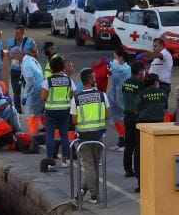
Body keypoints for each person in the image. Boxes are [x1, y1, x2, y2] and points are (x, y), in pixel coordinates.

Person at [72, 69, 109, 204]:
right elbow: (107, 115)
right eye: (94, 77)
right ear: (89, 80)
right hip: (99, 134)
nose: (96, 79)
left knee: (88, 165)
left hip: (84, 136)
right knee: (94, 165)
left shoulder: (76, 98)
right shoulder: (102, 95)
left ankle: (92, 194)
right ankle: (85, 191)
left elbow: (74, 121)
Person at [132, 71, 169, 193]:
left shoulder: (141, 94)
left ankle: (141, 184)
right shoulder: (163, 93)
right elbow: (165, 107)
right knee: (159, 154)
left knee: (140, 154)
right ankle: (159, 182)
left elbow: (136, 110)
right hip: (158, 126)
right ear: (155, 82)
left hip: (143, 126)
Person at [41, 55, 75, 167]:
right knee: (64, 135)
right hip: (65, 110)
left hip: (51, 111)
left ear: (51, 68)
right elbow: (72, 93)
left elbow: (43, 97)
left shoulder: (48, 81)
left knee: (50, 136)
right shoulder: (68, 80)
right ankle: (65, 161)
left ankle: (50, 161)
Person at [121, 61, 146, 178]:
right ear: (140, 71)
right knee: (137, 144)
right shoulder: (140, 84)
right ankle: (137, 169)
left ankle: (127, 169)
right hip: (137, 117)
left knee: (128, 144)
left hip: (127, 116)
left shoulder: (125, 83)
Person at [18, 47, 47, 141]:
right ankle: (49, 133)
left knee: (32, 116)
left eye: (13, 57)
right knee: (41, 112)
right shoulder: (31, 59)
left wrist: (25, 96)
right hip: (40, 88)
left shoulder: (26, 64)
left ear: (18, 56)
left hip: (34, 91)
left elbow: (30, 81)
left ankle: (34, 141)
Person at [7, 25, 38, 112]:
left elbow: (36, 54)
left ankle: (31, 107)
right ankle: (18, 109)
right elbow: (8, 53)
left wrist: (28, 52)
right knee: (16, 92)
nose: (16, 35)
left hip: (27, 71)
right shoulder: (11, 41)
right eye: (15, 33)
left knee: (29, 90)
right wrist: (12, 53)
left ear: (23, 33)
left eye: (18, 33)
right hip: (15, 71)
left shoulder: (30, 41)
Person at [107, 51, 131, 151]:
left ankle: (127, 143)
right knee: (117, 119)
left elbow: (119, 69)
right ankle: (121, 141)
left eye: (115, 57)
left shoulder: (126, 68)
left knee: (124, 119)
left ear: (121, 57)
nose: (114, 59)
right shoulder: (116, 67)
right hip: (115, 96)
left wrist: (110, 64)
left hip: (123, 96)